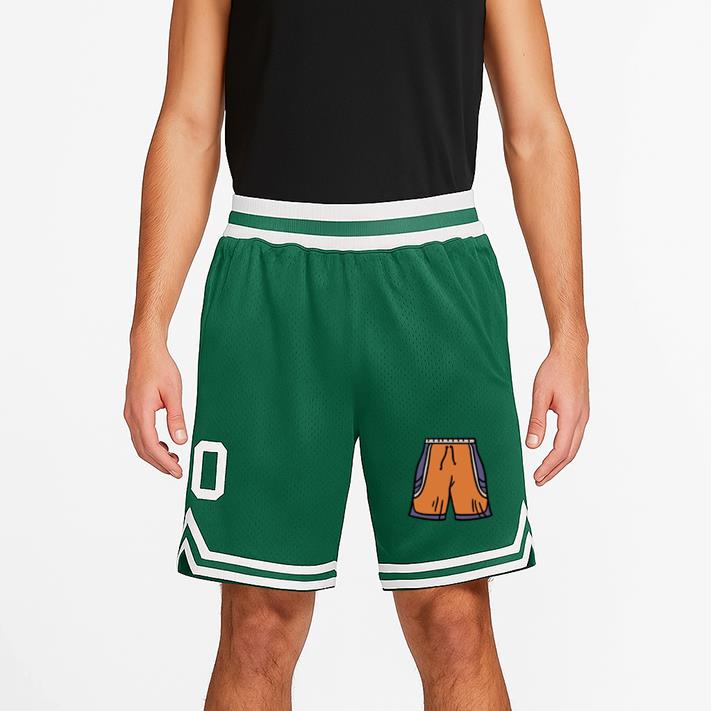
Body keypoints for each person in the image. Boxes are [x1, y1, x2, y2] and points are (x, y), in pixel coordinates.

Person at [124, 0, 589, 708]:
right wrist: (148, 328)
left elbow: (535, 127)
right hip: (272, 282)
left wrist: (569, 333)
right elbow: (187, 124)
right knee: (258, 627)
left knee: (454, 622)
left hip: (434, 288)